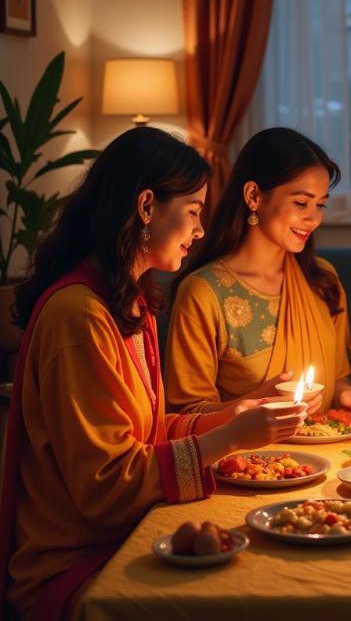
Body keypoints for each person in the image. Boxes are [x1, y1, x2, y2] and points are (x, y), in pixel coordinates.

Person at [0, 128, 306, 620]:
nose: (200, 229)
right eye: (191, 211)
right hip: (77, 563)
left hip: (125, 534)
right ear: (146, 207)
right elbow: (105, 489)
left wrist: (234, 413)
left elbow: (145, 434)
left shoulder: (129, 302)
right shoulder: (79, 318)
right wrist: (228, 439)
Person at [166, 128, 351, 425]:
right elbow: (187, 415)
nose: (314, 218)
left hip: (325, 454)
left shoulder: (322, 281)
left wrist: (347, 395)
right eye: (301, 203)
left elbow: (337, 378)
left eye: (320, 205)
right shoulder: (203, 293)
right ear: (254, 196)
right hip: (247, 464)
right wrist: (259, 403)